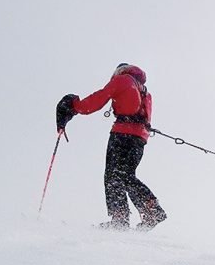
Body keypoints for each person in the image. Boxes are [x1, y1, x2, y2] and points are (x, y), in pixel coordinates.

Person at [56, 63, 167, 231]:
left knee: (113, 175)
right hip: (140, 138)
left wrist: (74, 106)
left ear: (120, 71)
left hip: (122, 134)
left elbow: (98, 99)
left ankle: (121, 219)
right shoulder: (144, 90)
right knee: (126, 175)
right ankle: (150, 209)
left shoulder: (122, 80)